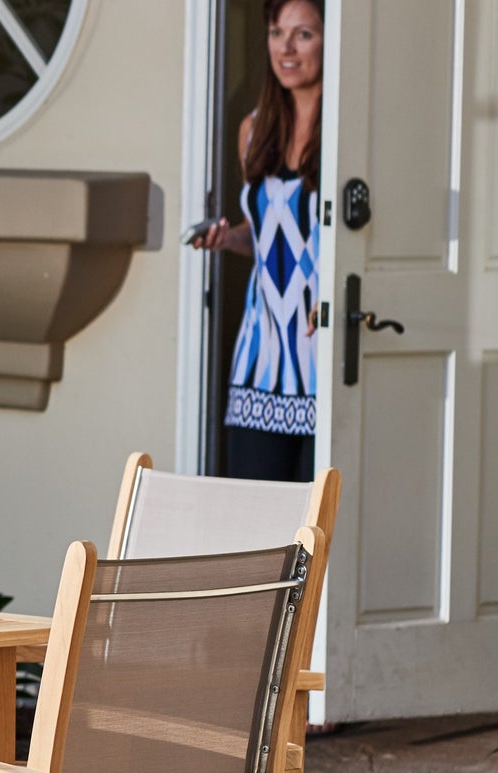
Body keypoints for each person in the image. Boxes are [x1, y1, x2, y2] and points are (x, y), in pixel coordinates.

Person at [194, 0, 324, 483]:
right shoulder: (253, 130)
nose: (285, 48)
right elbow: (273, 238)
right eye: (275, 32)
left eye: (303, 34)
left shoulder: (348, 135)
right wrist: (229, 238)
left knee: (321, 535)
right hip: (260, 361)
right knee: (260, 528)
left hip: (323, 359)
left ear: (331, 40)